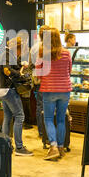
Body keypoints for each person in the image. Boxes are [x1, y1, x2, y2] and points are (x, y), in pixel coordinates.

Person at [35, 28, 72, 160]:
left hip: (49, 90)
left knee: (49, 119)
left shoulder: (42, 54)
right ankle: (61, 147)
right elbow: (69, 70)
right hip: (65, 90)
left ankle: (54, 146)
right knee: (61, 119)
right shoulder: (67, 53)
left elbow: (38, 74)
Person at [0, 37, 33, 156]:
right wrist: (20, 74)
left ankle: (5, 144)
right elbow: (7, 70)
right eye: (20, 50)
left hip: (3, 89)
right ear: (16, 47)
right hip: (9, 90)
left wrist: (20, 65)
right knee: (19, 116)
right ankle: (19, 147)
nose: (20, 53)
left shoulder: (7, 54)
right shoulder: (7, 54)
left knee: (8, 117)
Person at [29, 25, 49, 138]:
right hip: (47, 79)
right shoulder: (49, 47)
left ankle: (41, 132)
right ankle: (47, 131)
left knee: (39, 106)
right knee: (47, 106)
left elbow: (32, 63)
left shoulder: (34, 47)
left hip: (37, 79)